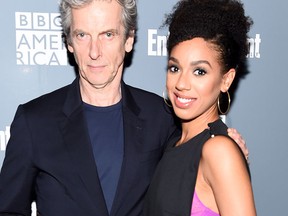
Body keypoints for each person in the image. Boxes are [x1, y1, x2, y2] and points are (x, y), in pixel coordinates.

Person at [0, 0, 248, 215]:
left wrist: (229, 149)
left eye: (108, 34)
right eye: (82, 35)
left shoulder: (162, 117)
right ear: (69, 43)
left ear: (129, 39)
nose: (94, 52)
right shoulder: (34, 121)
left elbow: (196, 168)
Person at [143, 0, 256, 215]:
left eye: (200, 72)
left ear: (226, 80)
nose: (181, 83)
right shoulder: (174, 145)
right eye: (175, 68)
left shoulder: (219, 151)